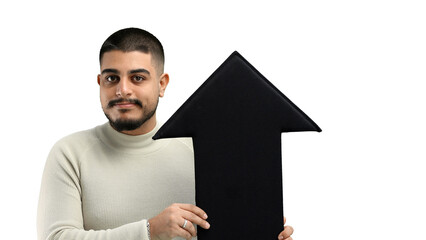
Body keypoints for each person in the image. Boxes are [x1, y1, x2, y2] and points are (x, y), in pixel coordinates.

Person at [37, 27, 294, 240]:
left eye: (137, 78)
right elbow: (56, 237)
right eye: (111, 78)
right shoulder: (70, 153)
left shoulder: (202, 150)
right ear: (100, 83)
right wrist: (148, 231)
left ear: (162, 84)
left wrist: (264, 233)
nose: (122, 90)